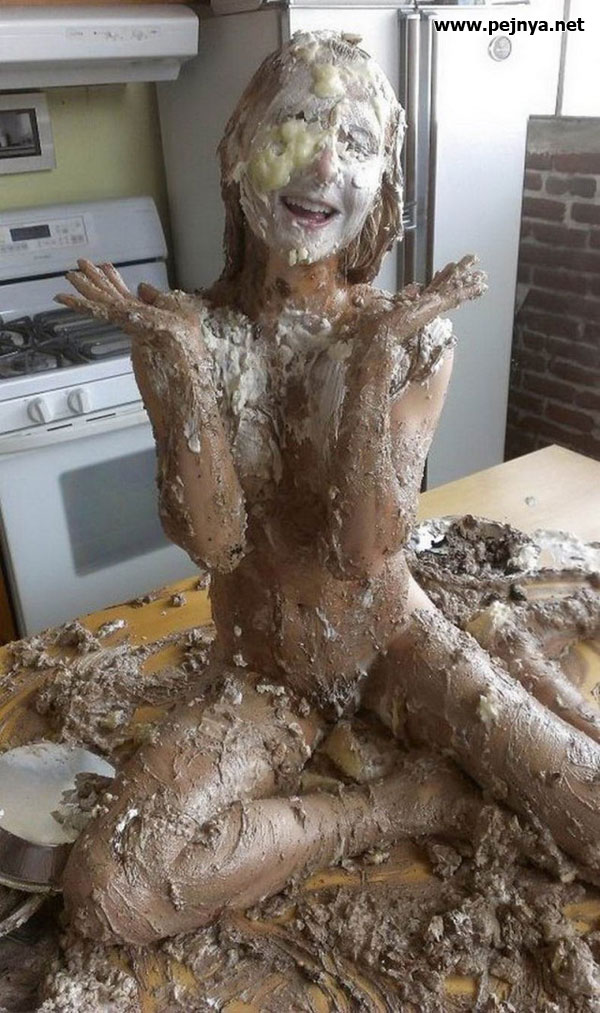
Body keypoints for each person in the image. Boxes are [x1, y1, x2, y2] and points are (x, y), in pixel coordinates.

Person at [57, 32, 600, 947]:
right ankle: (397, 803)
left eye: (355, 143)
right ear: (238, 150)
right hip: (264, 670)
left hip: (394, 637)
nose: (321, 165)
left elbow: (365, 549)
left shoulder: (413, 335)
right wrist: (183, 370)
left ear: (382, 183)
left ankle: (494, 647)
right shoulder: (186, 334)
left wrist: (372, 361)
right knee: (109, 890)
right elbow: (217, 542)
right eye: (299, 125)